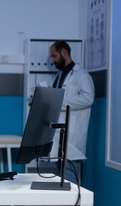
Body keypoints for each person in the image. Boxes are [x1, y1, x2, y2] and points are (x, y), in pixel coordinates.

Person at [42, 40, 95, 184]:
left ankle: (73, 205)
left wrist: (61, 102)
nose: (52, 60)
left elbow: (88, 98)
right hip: (59, 132)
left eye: (54, 56)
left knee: (70, 172)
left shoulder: (81, 75)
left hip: (73, 133)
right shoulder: (59, 77)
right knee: (57, 173)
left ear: (64, 52)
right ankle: (61, 205)